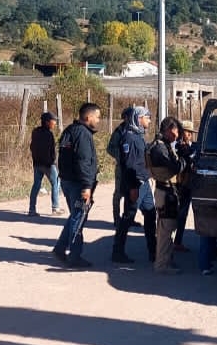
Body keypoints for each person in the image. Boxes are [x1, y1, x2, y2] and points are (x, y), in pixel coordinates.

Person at [51, 102, 102, 269]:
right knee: (78, 219)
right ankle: (74, 256)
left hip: (67, 180)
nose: (99, 120)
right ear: (88, 117)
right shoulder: (82, 134)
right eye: (97, 117)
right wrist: (87, 186)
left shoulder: (70, 130)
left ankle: (60, 248)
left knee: (75, 215)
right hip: (78, 184)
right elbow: (83, 161)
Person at [111, 105, 157, 265]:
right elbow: (129, 164)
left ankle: (154, 251)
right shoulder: (129, 138)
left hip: (144, 183)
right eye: (147, 117)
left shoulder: (138, 135)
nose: (149, 120)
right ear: (139, 118)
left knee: (150, 215)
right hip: (135, 184)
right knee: (128, 218)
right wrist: (132, 187)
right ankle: (117, 252)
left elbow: (141, 156)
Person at [146, 116, 187, 275]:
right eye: (176, 132)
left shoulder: (163, 145)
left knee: (167, 228)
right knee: (165, 231)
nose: (177, 136)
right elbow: (174, 167)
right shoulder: (160, 148)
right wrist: (184, 158)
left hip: (168, 191)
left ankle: (166, 260)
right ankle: (162, 264)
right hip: (165, 192)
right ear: (169, 129)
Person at [28, 112, 62, 216]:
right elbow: (52, 151)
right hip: (48, 164)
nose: (54, 123)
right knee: (56, 183)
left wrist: (35, 159)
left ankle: (32, 209)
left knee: (36, 185)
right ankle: (55, 208)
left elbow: (32, 147)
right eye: (53, 121)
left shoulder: (35, 132)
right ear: (47, 122)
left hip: (37, 163)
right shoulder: (49, 134)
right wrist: (54, 163)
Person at [172, 123, 197, 253]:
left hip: (193, 183)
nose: (189, 134)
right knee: (181, 213)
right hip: (183, 183)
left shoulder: (193, 146)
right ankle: (176, 241)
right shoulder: (179, 147)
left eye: (190, 132)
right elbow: (187, 157)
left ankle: (177, 240)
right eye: (187, 132)